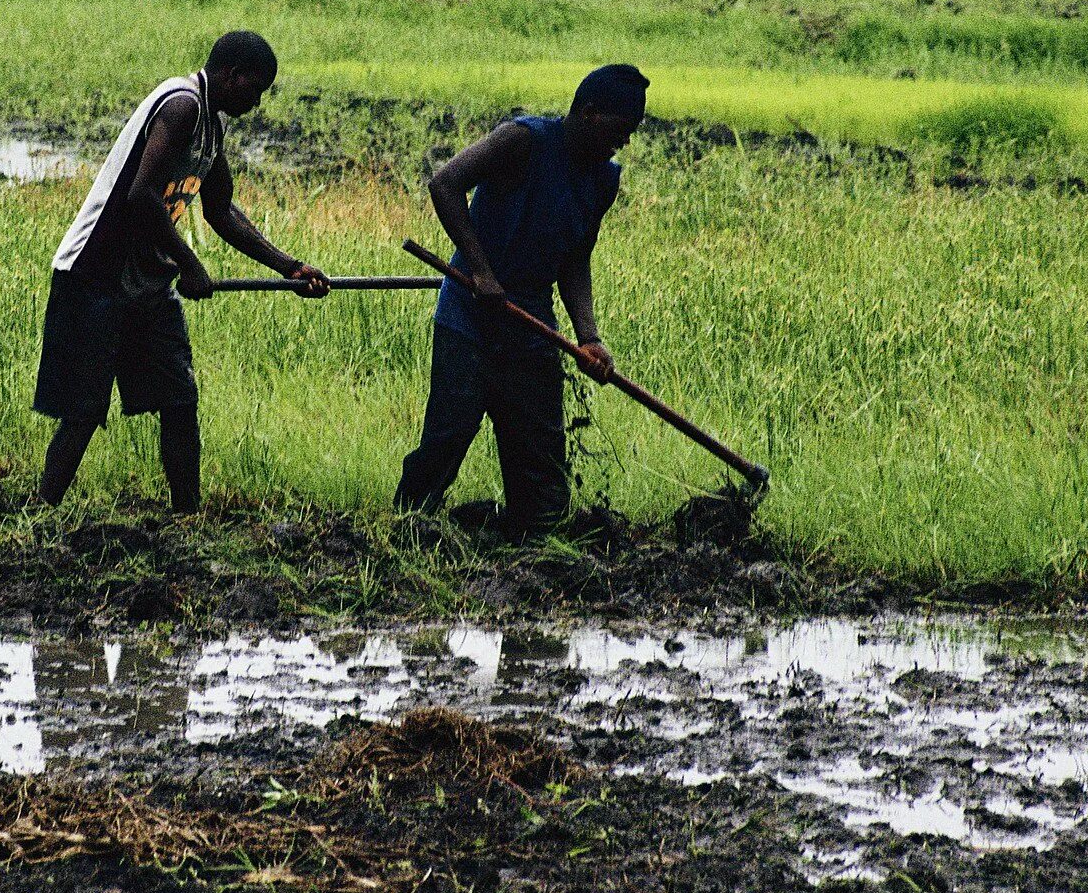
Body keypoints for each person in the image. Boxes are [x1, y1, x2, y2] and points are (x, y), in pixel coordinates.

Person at [34, 31, 332, 514]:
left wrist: (290, 267)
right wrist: (191, 265)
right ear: (233, 75)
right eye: (254, 90)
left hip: (147, 278)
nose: (256, 104)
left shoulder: (211, 127)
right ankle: (41, 514)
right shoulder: (182, 107)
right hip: (96, 272)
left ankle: (187, 518)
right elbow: (141, 195)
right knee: (84, 410)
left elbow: (221, 211)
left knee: (178, 397)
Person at [393, 64, 648, 537]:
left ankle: (535, 545)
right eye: (619, 131)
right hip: (469, 315)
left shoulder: (602, 180)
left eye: (630, 134)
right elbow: (445, 183)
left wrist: (589, 336)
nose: (623, 143)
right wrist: (482, 272)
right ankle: (406, 532)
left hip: (531, 322)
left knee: (541, 464)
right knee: (446, 440)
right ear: (590, 114)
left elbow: (575, 258)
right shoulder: (523, 140)